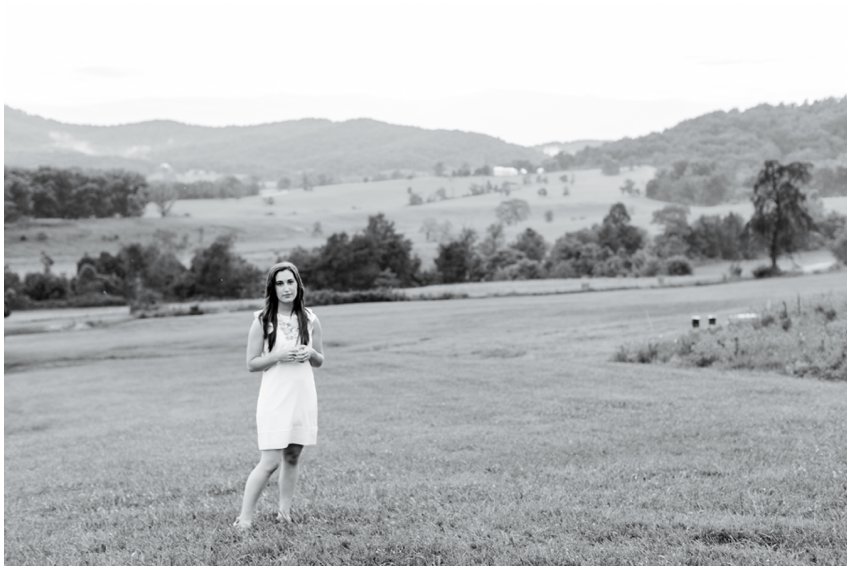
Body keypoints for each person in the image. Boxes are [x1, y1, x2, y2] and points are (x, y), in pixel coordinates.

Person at [234, 261, 324, 529]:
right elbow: (251, 363)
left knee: (293, 455)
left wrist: (311, 353)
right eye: (280, 283)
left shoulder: (311, 319)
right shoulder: (262, 320)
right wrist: (279, 355)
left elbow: (320, 360)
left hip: (302, 394)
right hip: (275, 397)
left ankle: (284, 513)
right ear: (272, 288)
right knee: (270, 461)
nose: (286, 288)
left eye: (290, 282)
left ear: (298, 285)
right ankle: (245, 519)